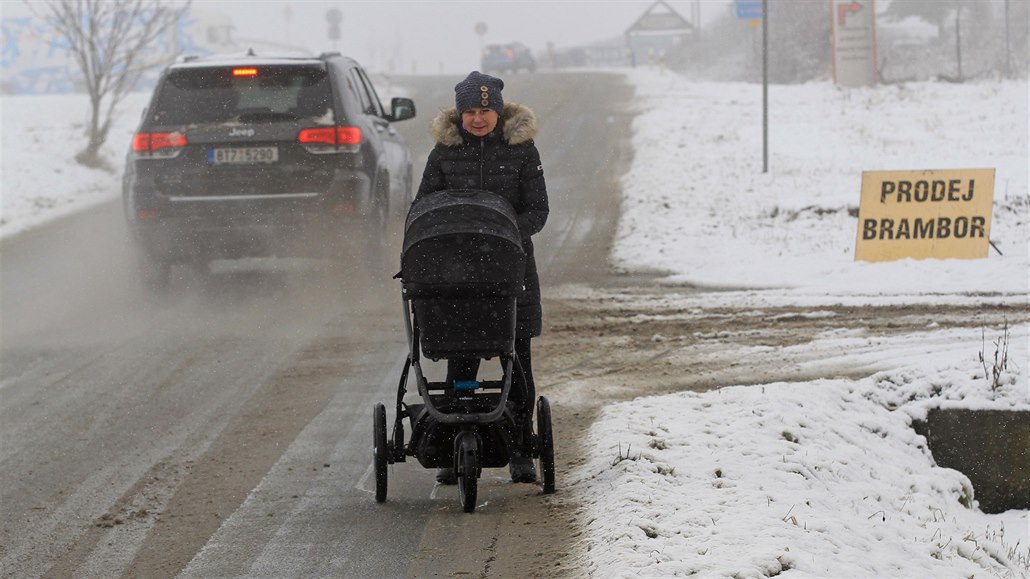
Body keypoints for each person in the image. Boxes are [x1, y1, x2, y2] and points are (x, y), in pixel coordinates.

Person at [414, 71, 549, 485]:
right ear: (459, 114)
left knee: (516, 358)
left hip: (510, 272)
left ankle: (522, 448)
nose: (478, 119)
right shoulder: (443, 154)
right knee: (463, 355)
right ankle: (452, 443)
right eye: (470, 111)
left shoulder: (522, 151)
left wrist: (502, 236)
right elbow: (424, 206)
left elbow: (537, 210)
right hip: (455, 274)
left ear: (499, 112)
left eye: (485, 111)